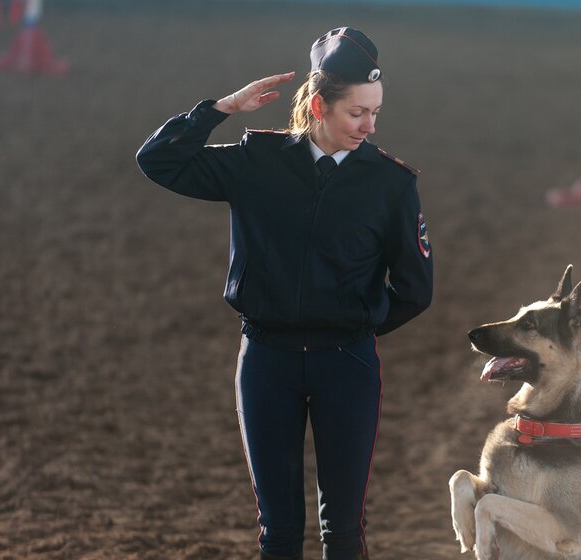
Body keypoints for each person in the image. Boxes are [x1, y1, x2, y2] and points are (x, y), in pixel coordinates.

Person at [135, 27, 433, 560]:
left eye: (375, 112)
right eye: (357, 113)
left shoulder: (391, 186)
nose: (369, 126)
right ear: (319, 105)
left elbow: (415, 289)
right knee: (277, 532)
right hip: (265, 363)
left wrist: (352, 323)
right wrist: (220, 109)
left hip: (347, 367)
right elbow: (158, 160)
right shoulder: (257, 162)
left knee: (343, 531)